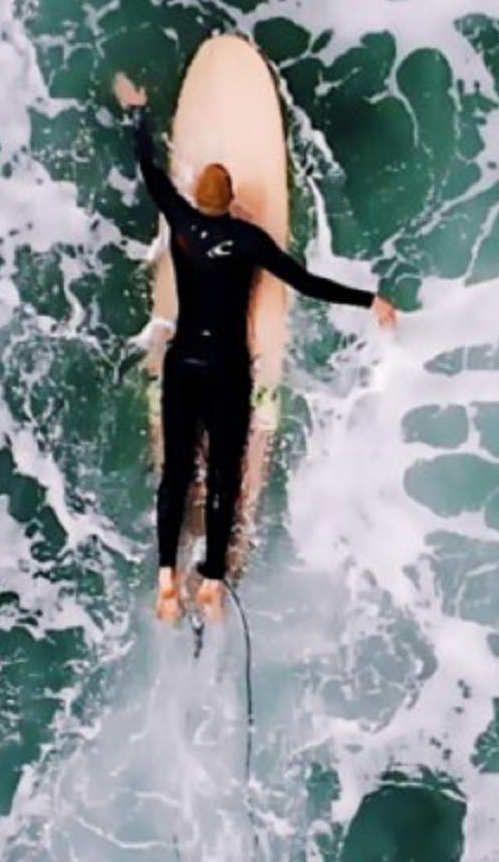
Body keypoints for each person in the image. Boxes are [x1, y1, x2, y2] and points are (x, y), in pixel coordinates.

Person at [112, 71, 400, 625]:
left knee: (176, 472)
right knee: (223, 476)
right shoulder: (248, 242)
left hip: (183, 362)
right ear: (235, 202)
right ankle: (213, 583)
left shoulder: (181, 223)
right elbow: (307, 282)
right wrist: (371, 301)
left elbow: (150, 172)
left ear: (198, 198)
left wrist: (139, 113)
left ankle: (166, 579)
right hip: (227, 369)